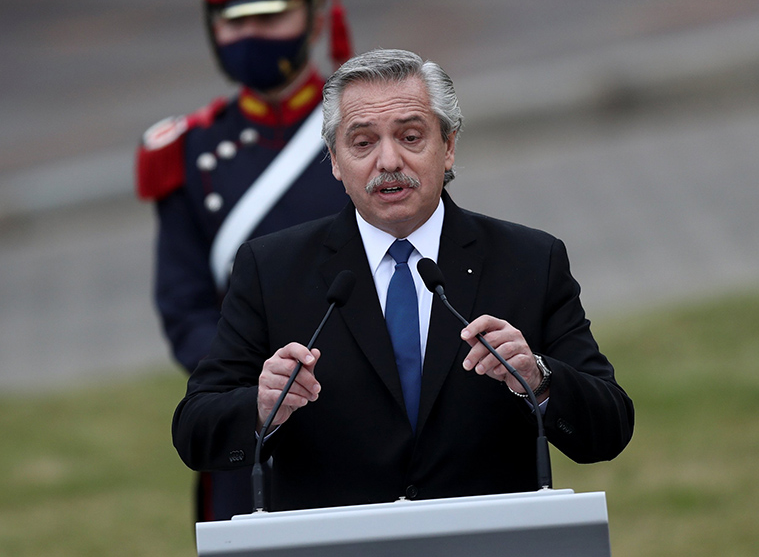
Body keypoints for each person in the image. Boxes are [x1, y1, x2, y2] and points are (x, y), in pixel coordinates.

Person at [172, 48, 635, 511]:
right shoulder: (270, 268)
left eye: (411, 137)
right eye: (362, 143)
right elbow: (196, 431)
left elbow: (609, 428)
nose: (388, 161)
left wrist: (539, 378)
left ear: (448, 146)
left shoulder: (530, 260)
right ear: (334, 160)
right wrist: (260, 405)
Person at [134, 0, 353, 521]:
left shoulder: (369, 131)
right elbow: (184, 308)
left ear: (314, 12)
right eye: (233, 20)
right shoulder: (189, 151)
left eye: (270, 14)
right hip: (253, 424)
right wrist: (259, 385)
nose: (250, 35)